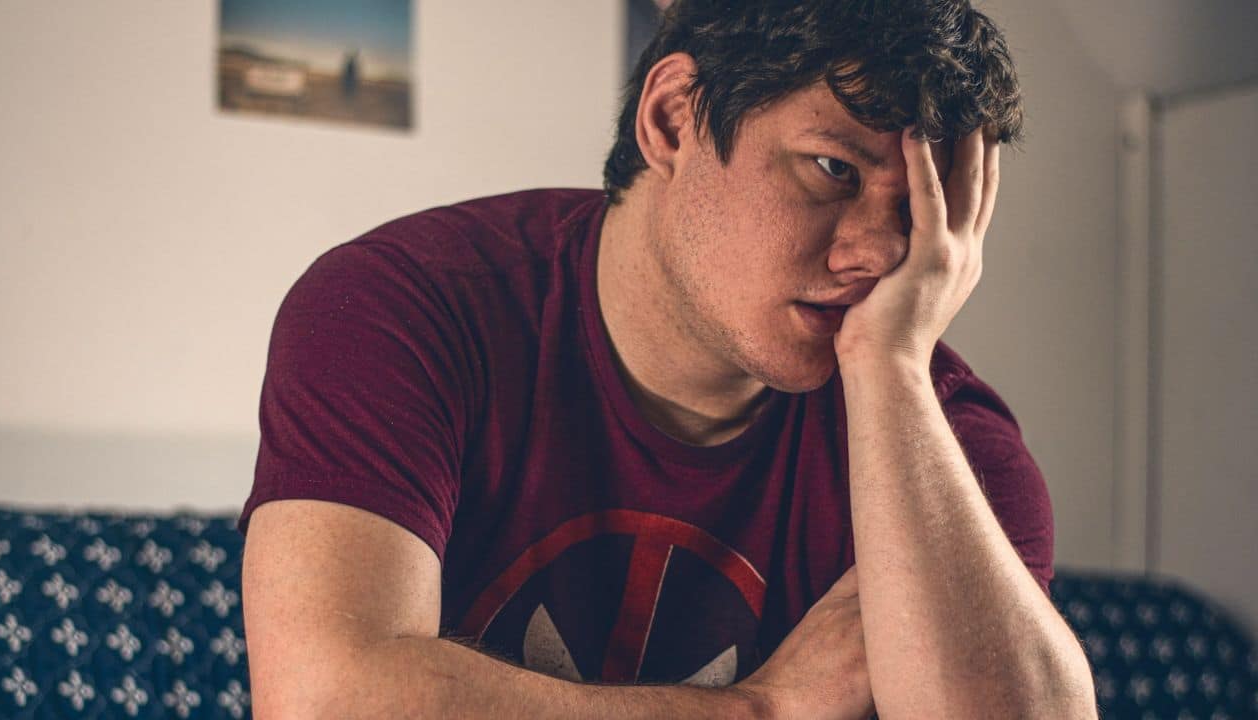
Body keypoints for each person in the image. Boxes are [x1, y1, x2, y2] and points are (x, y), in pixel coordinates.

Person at [239, 1, 1098, 717]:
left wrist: (893, 371)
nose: (880, 252)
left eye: (921, 211)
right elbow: (328, 701)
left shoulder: (942, 438)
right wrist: (765, 710)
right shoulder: (404, 307)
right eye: (834, 168)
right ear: (672, 118)